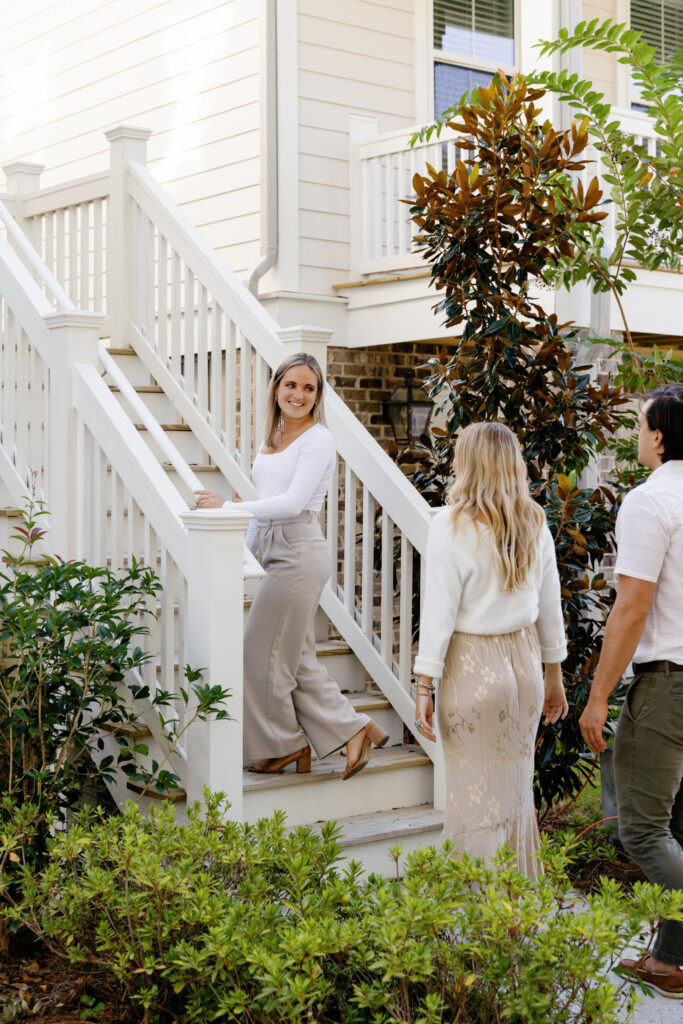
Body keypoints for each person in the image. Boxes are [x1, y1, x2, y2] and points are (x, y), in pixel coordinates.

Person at [195, 352, 388, 779]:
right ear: (276, 387)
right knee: (295, 661)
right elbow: (265, 500)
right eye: (291, 385)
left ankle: (283, 744)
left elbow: (292, 503)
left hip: (298, 550)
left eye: (309, 388)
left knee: (258, 655)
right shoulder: (275, 434)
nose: (299, 395)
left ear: (318, 396)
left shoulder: (318, 439)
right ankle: (356, 729)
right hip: (270, 547)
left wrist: (230, 507)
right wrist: (242, 555)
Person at [413, 422, 568, 879]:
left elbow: (438, 615)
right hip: (524, 672)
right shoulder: (534, 520)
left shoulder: (450, 524)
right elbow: (549, 609)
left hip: (471, 667)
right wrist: (554, 678)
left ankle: (475, 928)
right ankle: (516, 917)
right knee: (515, 797)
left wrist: (424, 684)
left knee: (474, 800)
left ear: (470, 464)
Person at [580, 384, 683, 999]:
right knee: (681, 827)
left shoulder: (651, 502)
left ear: (660, 435)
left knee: (642, 832)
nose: (635, 434)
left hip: (667, 686)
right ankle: (672, 964)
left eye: (640, 424)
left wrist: (598, 698)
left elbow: (631, 608)